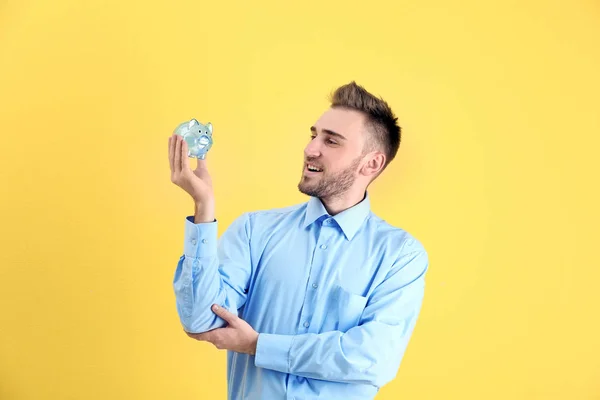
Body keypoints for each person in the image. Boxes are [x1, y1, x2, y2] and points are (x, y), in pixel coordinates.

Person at [168, 81, 429, 400]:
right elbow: (200, 320)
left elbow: (373, 358)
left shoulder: (400, 255)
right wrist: (203, 207)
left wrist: (257, 345)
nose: (311, 149)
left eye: (331, 141)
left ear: (371, 163)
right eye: (314, 135)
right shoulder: (255, 231)